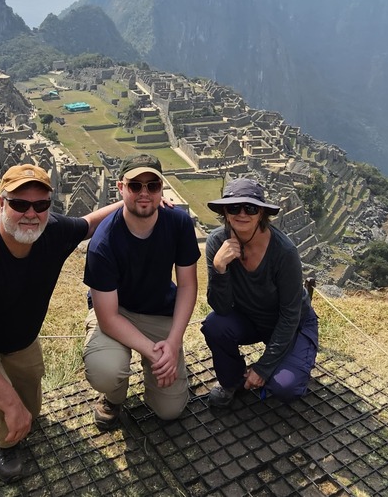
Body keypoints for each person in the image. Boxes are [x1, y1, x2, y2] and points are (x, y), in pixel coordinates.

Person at [0, 163, 124, 482]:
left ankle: (13, 410)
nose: (30, 214)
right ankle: (1, 443)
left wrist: (137, 198)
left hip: (19, 340)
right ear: (1, 203)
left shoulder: (54, 232)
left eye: (40, 205)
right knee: (5, 416)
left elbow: (89, 224)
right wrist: (9, 404)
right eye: (19, 204)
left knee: (31, 414)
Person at [82, 153, 200, 430]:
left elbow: (187, 285)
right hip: (116, 312)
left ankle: (167, 370)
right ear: (121, 188)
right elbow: (108, 317)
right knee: (105, 371)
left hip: (159, 311)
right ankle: (113, 397)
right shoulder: (103, 243)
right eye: (136, 186)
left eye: (152, 186)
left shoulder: (179, 224)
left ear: (162, 189)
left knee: (170, 410)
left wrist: (172, 342)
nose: (144, 193)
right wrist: (154, 351)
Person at [201, 178, 319, 407]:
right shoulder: (217, 242)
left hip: (292, 324)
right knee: (215, 325)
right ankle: (233, 381)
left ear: (262, 213)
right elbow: (222, 308)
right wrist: (220, 268)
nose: (242, 214)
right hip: (251, 319)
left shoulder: (284, 252)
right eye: (234, 207)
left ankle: (288, 366)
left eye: (251, 208)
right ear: (225, 211)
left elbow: (290, 315)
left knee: (285, 387)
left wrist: (263, 368)